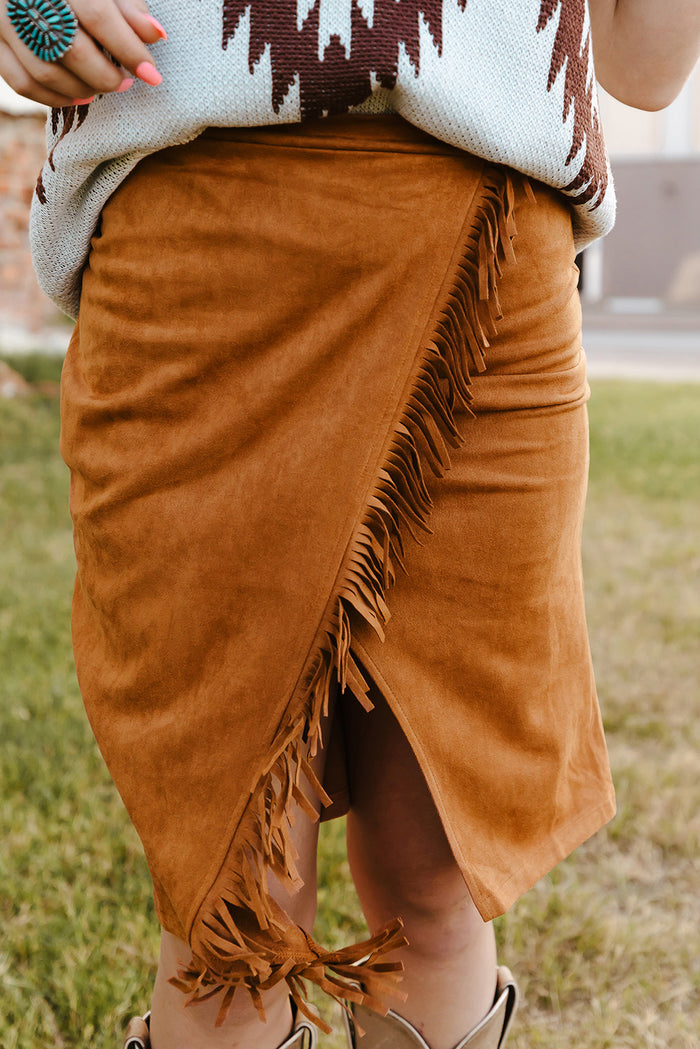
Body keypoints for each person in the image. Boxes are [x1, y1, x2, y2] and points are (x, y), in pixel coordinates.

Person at [2, 3, 698, 1049]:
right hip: (190, 241)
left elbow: (645, 70)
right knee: (229, 902)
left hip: (485, 255)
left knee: (433, 884)